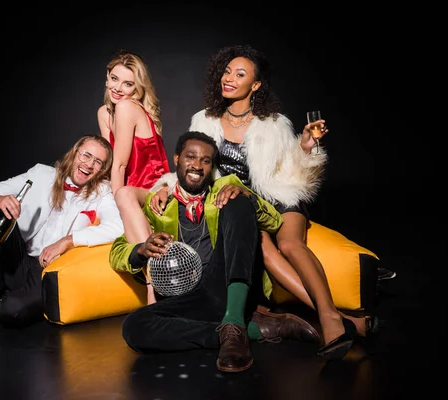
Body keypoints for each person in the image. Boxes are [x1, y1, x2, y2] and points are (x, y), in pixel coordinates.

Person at [147, 44, 375, 360]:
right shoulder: (203, 120)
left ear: (255, 85)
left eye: (240, 74)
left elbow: (292, 173)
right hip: (243, 205)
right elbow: (193, 167)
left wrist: (306, 147)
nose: (229, 78)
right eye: (227, 71)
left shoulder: (275, 123)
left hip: (279, 196)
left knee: (292, 245)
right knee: (265, 248)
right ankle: (343, 319)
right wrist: (165, 187)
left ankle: (331, 317)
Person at [109, 131, 322, 373]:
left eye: (206, 161)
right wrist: (141, 249)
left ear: (212, 167)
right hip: (188, 298)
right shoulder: (159, 205)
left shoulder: (223, 186)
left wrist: (249, 198)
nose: (197, 166)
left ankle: (233, 320)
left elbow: (273, 221)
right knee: (134, 326)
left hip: (224, 283)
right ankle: (252, 330)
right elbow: (116, 251)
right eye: (190, 157)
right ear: (177, 159)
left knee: (238, 200)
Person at [0, 135, 124, 338]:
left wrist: (68, 241)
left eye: (98, 162)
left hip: (46, 268)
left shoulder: (101, 192)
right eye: (86, 155)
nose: (89, 165)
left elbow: (119, 227)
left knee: (10, 313)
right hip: (19, 258)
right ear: (74, 153)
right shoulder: (40, 175)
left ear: (102, 169)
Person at [97, 50, 171, 304]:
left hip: (156, 190)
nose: (119, 88)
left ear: (137, 88)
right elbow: (110, 164)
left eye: (127, 84)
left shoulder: (128, 107)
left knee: (125, 194)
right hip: (128, 191)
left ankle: (153, 287)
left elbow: (119, 166)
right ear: (107, 77)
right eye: (114, 79)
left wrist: (119, 204)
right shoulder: (105, 113)